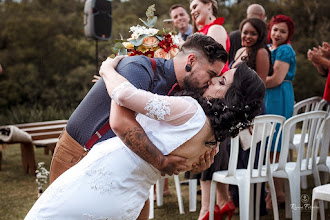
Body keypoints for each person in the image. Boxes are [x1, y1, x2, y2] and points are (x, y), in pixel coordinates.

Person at [25, 54, 265, 219]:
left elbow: (124, 95)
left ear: (231, 99)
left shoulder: (191, 110)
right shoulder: (212, 138)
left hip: (95, 188)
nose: (212, 80)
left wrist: (107, 69)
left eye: (221, 81)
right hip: (129, 202)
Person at [48, 33, 225, 219]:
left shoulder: (184, 94)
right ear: (191, 60)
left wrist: (194, 163)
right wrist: (161, 162)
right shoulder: (139, 67)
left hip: (121, 167)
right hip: (79, 154)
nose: (211, 82)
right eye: (211, 74)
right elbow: (121, 122)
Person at [189, 1, 233, 218]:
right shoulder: (198, 34)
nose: (192, 10)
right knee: (210, 148)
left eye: (196, 4)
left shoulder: (215, 29)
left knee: (209, 147)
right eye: (190, 7)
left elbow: (210, 64)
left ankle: (207, 209)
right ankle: (221, 202)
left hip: (216, 96)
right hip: (205, 96)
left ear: (209, 5)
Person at [228, 17, 272, 216]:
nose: (248, 36)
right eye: (245, 32)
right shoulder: (239, 52)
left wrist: (253, 117)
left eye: (253, 33)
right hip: (236, 108)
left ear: (260, 35)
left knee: (252, 157)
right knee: (235, 154)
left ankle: (256, 205)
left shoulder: (261, 52)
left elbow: (260, 86)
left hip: (253, 109)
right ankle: (238, 201)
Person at [264, 15, 296, 209]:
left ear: (288, 34)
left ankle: (279, 193)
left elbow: (276, 79)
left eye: (283, 31)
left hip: (278, 95)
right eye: (275, 29)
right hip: (267, 96)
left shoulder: (285, 50)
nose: (277, 34)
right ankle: (273, 191)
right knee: (268, 146)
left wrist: (255, 81)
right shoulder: (268, 48)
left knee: (275, 146)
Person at [190, 0, 230, 74]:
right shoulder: (202, 33)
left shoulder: (215, 28)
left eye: (195, 7)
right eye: (191, 10)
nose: (192, 12)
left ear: (208, 4)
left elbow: (215, 61)